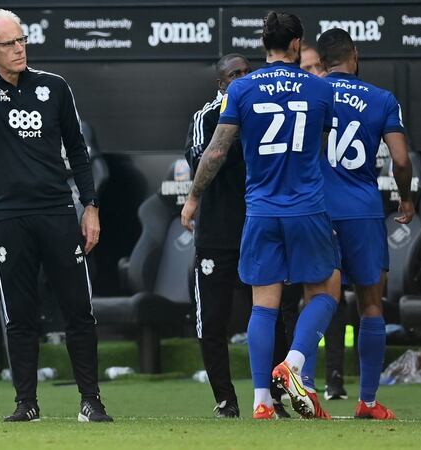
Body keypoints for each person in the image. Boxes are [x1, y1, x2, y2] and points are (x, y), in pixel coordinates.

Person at [0, 9, 110, 422]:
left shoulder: (54, 86)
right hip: (10, 216)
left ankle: (91, 400)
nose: (18, 49)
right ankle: (26, 402)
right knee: (20, 312)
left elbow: (79, 152)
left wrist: (90, 207)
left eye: (21, 41)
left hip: (55, 211)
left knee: (77, 310)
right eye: (8, 44)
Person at [181, 11, 341, 419]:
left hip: (261, 211)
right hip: (306, 207)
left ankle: (260, 401)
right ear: (295, 45)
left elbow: (215, 152)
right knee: (325, 291)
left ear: (264, 45)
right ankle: (294, 364)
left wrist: (194, 196)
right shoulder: (320, 89)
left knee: (262, 307)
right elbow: (320, 147)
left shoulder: (243, 89)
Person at [185, 54, 291, 419]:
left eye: (248, 72)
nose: (243, 78)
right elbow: (202, 161)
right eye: (235, 75)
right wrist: (234, 127)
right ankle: (225, 399)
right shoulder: (206, 117)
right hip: (217, 233)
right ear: (221, 84)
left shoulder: (265, 111)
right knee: (212, 319)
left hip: (260, 227)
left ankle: (274, 396)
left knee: (273, 314)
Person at [316, 28, 414, 420]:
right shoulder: (382, 98)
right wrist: (405, 197)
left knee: (318, 300)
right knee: (371, 305)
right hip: (363, 211)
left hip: (317, 210)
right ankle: (368, 402)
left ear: (321, 61)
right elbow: (402, 161)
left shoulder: (311, 92)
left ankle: (306, 390)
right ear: (354, 54)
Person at [300, 41, 349, 401]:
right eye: (307, 69)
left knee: (337, 294)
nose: (317, 75)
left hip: (346, 206)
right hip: (307, 210)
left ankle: (334, 377)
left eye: (319, 67)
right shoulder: (296, 111)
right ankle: (303, 375)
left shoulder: (334, 102)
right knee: (308, 295)